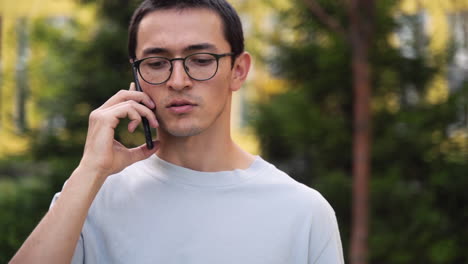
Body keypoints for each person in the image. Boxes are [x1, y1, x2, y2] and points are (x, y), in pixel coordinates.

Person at [10, 0, 344, 263]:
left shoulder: (302, 211)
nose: (178, 81)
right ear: (137, 76)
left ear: (238, 71)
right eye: (156, 63)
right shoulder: (90, 196)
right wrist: (88, 172)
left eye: (200, 59)